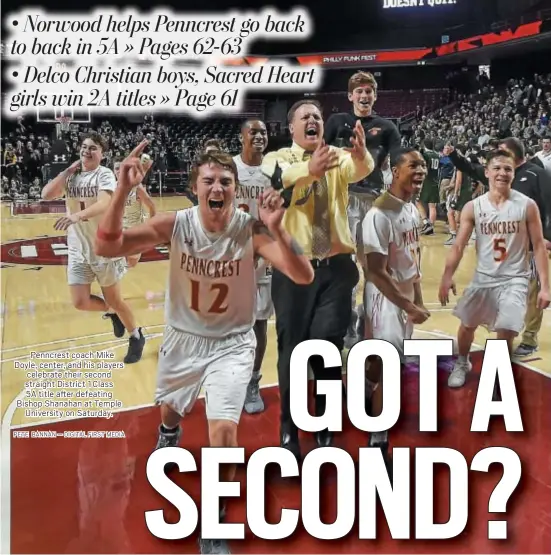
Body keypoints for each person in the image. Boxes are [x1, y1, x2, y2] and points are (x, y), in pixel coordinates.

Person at [94, 143, 314, 554]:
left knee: (225, 432)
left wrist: (279, 228)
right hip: (183, 337)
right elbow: (107, 246)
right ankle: (169, 431)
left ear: (235, 189)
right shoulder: (175, 224)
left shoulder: (251, 230)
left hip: (232, 344)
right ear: (195, 188)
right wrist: (122, 192)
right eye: (209, 181)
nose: (218, 187)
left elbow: (302, 275)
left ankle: (214, 520)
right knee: (172, 410)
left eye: (226, 182)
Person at [262, 99, 374, 459]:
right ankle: (288, 427)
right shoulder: (277, 158)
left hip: (337, 266)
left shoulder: (338, 157)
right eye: (305, 117)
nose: (313, 120)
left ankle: (324, 421)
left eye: (318, 116)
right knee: (292, 350)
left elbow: (361, 169)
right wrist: (309, 169)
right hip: (294, 271)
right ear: (292, 128)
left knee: (327, 346)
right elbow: (280, 180)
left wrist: (360, 154)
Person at [439, 149, 550, 393]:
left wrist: (545, 286)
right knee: (467, 325)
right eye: (497, 168)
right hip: (484, 277)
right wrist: (447, 276)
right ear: (487, 172)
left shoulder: (527, 206)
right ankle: (462, 362)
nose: (502, 173)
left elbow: (539, 246)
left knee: (507, 329)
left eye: (508, 169)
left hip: (515, 279)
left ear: (514, 173)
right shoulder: (473, 206)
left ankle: (498, 373)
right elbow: (458, 245)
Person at [41, 132, 145, 364]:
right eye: (85, 147)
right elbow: (46, 194)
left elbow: (104, 202)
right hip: (78, 247)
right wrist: (67, 171)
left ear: (102, 154)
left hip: (103, 247)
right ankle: (112, 313)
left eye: (93, 148)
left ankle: (136, 335)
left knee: (117, 300)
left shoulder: (104, 174)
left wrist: (76, 216)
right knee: (80, 302)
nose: (87, 151)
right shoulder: (71, 177)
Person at [362, 148, 431, 467]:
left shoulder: (412, 209)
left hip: (403, 295)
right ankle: (378, 441)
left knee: (378, 365)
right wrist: (406, 304)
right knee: (388, 364)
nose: (421, 170)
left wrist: (417, 297)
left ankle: (360, 393)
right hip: (384, 297)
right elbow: (375, 271)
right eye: (413, 165)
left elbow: (412, 257)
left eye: (424, 165)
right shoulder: (379, 214)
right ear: (394, 171)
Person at [324, 71, 401, 347]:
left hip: (372, 200)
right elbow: (319, 156)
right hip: (342, 199)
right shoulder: (336, 122)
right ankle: (345, 323)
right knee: (343, 267)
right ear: (350, 96)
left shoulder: (387, 126)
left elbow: (397, 161)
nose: (364, 95)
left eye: (369, 91)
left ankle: (367, 321)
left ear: (375, 95)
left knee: (372, 266)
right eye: (359, 91)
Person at [233, 119, 271, 414]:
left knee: (259, 323)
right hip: (231, 258)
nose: (259, 136)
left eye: (263, 133)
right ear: (242, 137)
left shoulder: (275, 170)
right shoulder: (228, 168)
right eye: (253, 132)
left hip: (263, 258)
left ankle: (253, 381)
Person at [113, 155, 156, 268]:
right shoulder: (113, 187)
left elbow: (152, 206)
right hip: (120, 230)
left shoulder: (136, 187)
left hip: (135, 230)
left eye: (120, 168)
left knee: (131, 265)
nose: (118, 171)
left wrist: (150, 228)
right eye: (116, 168)